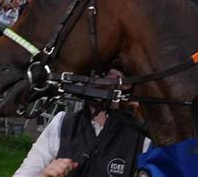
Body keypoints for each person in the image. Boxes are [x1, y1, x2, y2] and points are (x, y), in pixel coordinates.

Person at [13, 68, 149, 177]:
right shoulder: (62, 123)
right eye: (91, 70)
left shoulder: (143, 136)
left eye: (106, 70)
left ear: (126, 83)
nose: (95, 76)